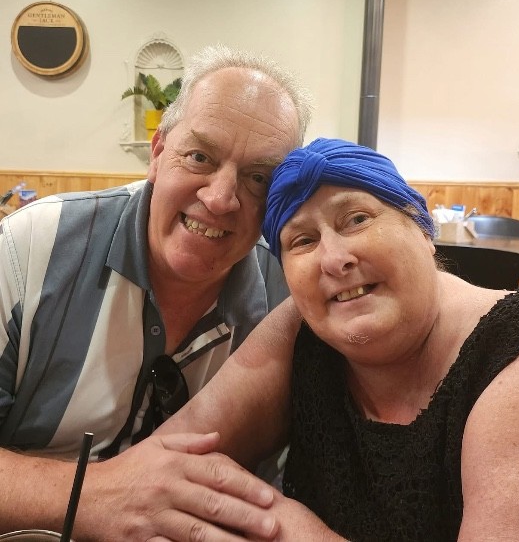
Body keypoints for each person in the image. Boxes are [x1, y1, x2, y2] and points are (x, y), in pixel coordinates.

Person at [162, 137, 519, 541]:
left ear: (422, 227)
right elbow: (168, 461)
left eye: (357, 219)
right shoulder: (304, 330)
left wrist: (286, 527)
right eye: (303, 241)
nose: (334, 259)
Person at [0, 44, 312, 539]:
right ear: (159, 152)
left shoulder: (295, 290)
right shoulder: (31, 246)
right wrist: (97, 495)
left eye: (258, 178)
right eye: (199, 157)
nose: (220, 199)